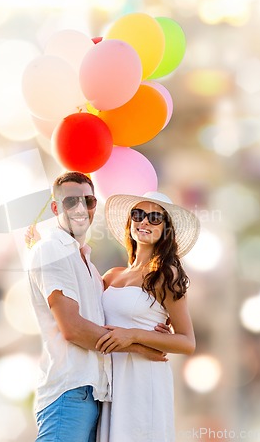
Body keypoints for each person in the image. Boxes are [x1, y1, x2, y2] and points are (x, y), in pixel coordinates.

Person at [26, 173, 170, 442]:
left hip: (94, 393)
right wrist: (139, 347)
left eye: (88, 201)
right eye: (70, 201)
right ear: (56, 208)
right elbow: (74, 329)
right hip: (69, 391)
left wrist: (150, 322)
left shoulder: (90, 267)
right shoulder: (51, 250)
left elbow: (113, 313)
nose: (81, 209)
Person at [96, 191, 200, 442]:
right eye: (138, 215)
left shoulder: (166, 275)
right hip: (110, 377)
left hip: (143, 378)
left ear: (166, 230)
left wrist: (133, 335)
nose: (144, 222)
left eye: (154, 218)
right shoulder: (111, 276)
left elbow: (187, 342)